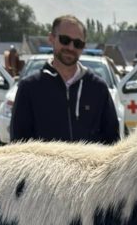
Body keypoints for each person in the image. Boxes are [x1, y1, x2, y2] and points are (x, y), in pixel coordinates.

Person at [10, 15, 119, 144]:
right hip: (45, 165)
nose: (71, 47)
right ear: (51, 38)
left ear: (83, 47)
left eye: (78, 43)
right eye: (65, 40)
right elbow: (19, 144)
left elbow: (113, 141)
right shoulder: (29, 88)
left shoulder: (98, 88)